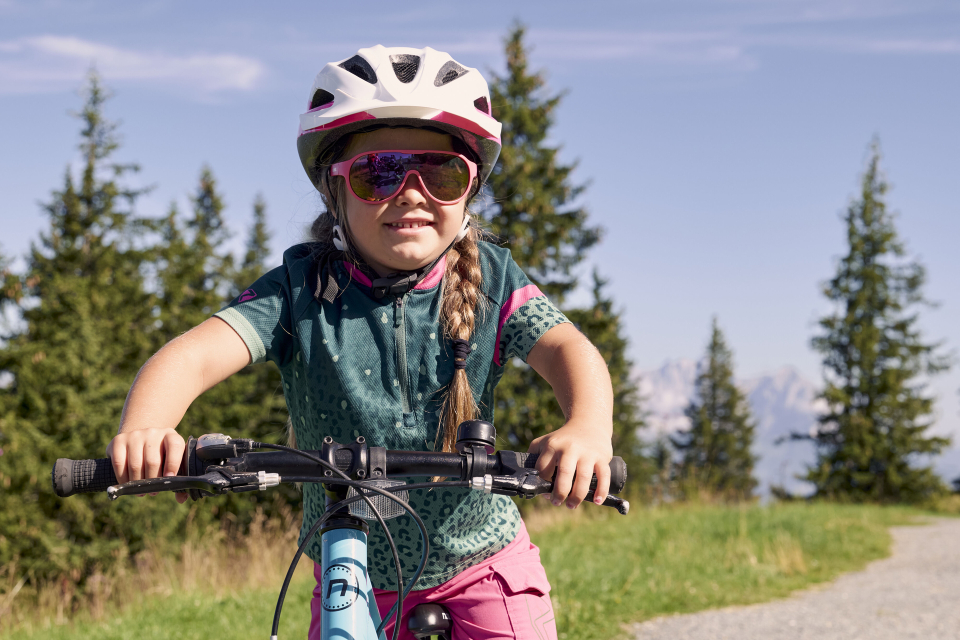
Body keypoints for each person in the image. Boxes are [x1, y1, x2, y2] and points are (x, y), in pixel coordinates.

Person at [106, 45, 614, 640]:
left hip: (483, 562)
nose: (412, 192)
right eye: (380, 173)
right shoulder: (300, 290)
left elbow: (567, 350)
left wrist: (587, 427)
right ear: (334, 191)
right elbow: (191, 356)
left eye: (442, 173)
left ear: (469, 191)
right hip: (353, 569)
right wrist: (147, 426)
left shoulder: (493, 279)